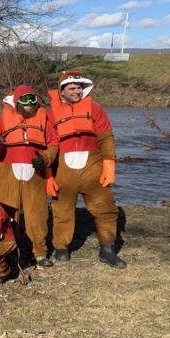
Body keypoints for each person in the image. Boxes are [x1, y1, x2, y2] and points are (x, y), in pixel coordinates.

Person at [47, 72, 126, 268]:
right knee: (62, 210)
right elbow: (47, 144)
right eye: (72, 88)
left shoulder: (95, 109)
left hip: (92, 164)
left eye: (79, 87)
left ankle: (107, 249)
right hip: (62, 167)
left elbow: (106, 137)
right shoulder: (50, 114)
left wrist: (109, 163)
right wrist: (48, 175)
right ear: (61, 91)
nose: (77, 91)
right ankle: (61, 248)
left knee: (105, 208)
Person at [0, 84, 59, 268]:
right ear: (16, 102)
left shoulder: (43, 118)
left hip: (35, 172)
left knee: (37, 213)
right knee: (8, 212)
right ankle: (8, 251)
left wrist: (46, 158)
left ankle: (39, 253)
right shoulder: (1, 120)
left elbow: (53, 143)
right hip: (8, 170)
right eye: (24, 99)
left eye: (32, 99)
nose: (29, 103)